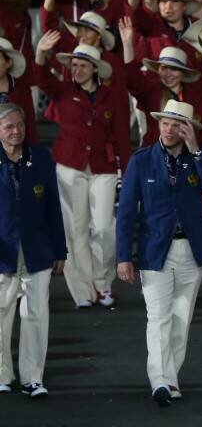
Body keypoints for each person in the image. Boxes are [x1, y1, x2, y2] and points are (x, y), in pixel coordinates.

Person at [115, 100, 202, 407]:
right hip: (155, 250)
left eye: (176, 124)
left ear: (187, 129)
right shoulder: (141, 160)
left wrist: (197, 150)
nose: (168, 129)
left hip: (191, 249)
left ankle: (170, 378)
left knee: (181, 319)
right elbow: (126, 211)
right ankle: (160, 381)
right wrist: (123, 256)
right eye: (164, 123)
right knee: (158, 317)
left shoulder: (198, 157)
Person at [34, 36, 130, 309]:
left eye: (83, 65)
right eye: (74, 65)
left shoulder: (112, 95)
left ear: (95, 68)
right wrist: (40, 52)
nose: (77, 70)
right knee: (75, 231)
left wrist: (128, 172)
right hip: (69, 165)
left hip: (103, 166)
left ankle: (103, 283)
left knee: (104, 227)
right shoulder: (63, 90)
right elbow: (42, 79)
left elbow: (122, 135)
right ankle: (83, 292)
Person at [0, 103, 65, 398]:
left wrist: (60, 250)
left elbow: (54, 207)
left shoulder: (40, 158)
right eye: (9, 127)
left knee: (36, 314)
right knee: (1, 314)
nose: (16, 131)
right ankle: (2, 374)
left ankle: (33, 378)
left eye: (20, 125)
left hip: (37, 249)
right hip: (3, 252)